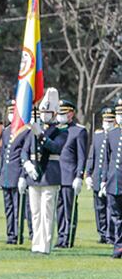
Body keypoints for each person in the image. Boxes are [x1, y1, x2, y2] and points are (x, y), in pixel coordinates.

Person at [22, 103, 68, 254]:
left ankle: (45, 245)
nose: (43, 114)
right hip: (34, 174)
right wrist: (27, 164)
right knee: (35, 212)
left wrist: (40, 135)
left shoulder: (60, 131)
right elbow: (24, 150)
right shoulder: (33, 130)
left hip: (49, 174)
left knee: (47, 212)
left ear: (54, 113)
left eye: (47, 112)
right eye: (42, 111)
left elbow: (56, 148)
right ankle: (36, 243)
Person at [0, 99, 32, 244]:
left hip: (18, 173)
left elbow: (26, 154)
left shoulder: (26, 131)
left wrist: (24, 175)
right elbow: (4, 154)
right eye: (10, 111)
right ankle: (10, 234)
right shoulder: (6, 131)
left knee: (19, 207)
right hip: (6, 174)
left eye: (14, 111)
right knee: (9, 208)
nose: (12, 114)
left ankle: (18, 234)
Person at [54, 100, 87, 248]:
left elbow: (81, 156)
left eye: (64, 113)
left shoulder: (79, 131)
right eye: (59, 113)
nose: (60, 116)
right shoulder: (55, 130)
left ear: (71, 113)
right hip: (56, 175)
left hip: (69, 175)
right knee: (59, 210)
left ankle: (68, 239)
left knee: (69, 210)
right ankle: (60, 237)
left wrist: (79, 176)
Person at [86, 107, 115, 244]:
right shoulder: (98, 135)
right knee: (99, 208)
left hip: (110, 178)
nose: (107, 123)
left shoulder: (115, 135)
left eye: (110, 120)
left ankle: (111, 234)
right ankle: (102, 233)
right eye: (105, 120)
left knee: (110, 207)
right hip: (98, 176)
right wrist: (88, 174)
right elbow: (92, 156)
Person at [103, 99, 122, 258]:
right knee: (115, 216)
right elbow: (106, 160)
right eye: (118, 114)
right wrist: (103, 180)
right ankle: (118, 245)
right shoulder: (112, 134)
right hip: (113, 181)